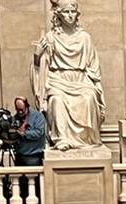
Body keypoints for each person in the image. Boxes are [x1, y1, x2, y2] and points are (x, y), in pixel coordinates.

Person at [31, 0, 106, 150]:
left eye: (73, 12)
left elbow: (93, 66)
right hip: (58, 79)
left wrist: (97, 89)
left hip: (80, 79)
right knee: (57, 100)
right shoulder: (51, 37)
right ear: (59, 14)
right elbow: (41, 67)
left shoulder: (85, 38)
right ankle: (61, 138)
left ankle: (87, 140)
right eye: (66, 12)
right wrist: (37, 55)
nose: (70, 15)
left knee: (89, 97)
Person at [13, 96, 47, 166]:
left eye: (22, 110)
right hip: (19, 156)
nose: (20, 112)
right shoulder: (15, 118)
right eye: (18, 110)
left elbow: (39, 132)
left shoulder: (37, 116)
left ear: (27, 106)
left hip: (33, 157)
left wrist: (24, 133)